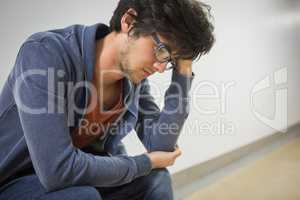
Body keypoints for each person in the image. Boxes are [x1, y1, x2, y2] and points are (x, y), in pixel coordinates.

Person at [0, 0, 215, 199]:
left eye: (169, 60)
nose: (160, 68)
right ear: (129, 22)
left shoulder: (133, 80)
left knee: (156, 180)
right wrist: (144, 162)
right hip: (14, 181)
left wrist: (183, 71)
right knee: (83, 196)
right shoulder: (45, 53)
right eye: (162, 51)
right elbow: (57, 170)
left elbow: (161, 144)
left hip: (81, 178)